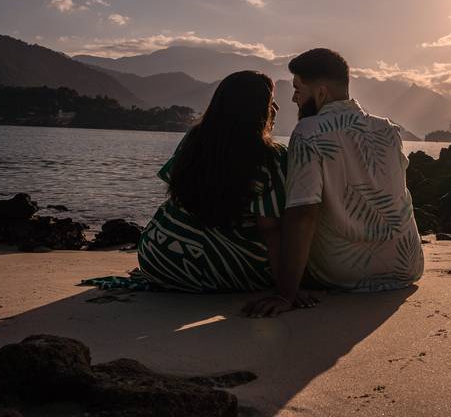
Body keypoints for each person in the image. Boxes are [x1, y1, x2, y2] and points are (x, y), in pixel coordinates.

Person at [242, 48, 424, 317]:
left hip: (345, 273)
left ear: (321, 93)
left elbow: (304, 214)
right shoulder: (388, 129)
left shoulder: (309, 132)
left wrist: (285, 294)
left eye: (297, 89)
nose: (293, 97)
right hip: (407, 267)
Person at [137, 70, 314, 308]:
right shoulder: (270, 157)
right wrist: (287, 290)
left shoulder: (195, 139)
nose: (276, 109)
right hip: (218, 271)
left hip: (157, 258)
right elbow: (270, 229)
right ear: (258, 109)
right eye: (271, 102)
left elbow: (174, 188)